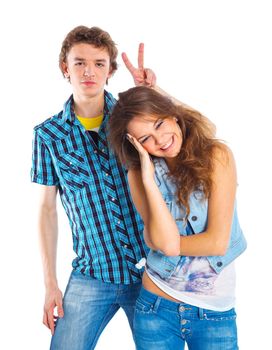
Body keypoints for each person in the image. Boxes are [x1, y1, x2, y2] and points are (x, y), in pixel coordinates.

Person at [31, 26, 156, 350]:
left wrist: (153, 98)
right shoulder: (48, 135)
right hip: (92, 272)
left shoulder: (131, 119)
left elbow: (177, 149)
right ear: (65, 68)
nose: (89, 71)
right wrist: (50, 284)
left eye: (99, 63)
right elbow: (46, 210)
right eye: (79, 62)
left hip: (150, 272)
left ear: (111, 70)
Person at [108, 86, 247, 350]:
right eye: (146, 138)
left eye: (160, 124)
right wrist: (149, 180)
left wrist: (167, 243)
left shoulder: (217, 157)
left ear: (173, 114)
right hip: (156, 308)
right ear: (136, 145)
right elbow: (157, 238)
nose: (160, 140)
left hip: (214, 313)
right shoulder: (139, 176)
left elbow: (216, 243)